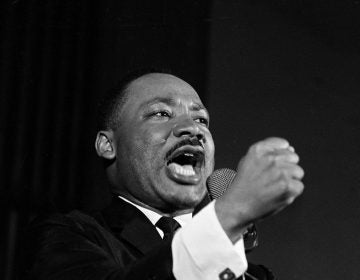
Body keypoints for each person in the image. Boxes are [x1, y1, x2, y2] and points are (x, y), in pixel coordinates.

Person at [25, 69, 304, 280]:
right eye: (161, 113)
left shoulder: (253, 275)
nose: (193, 129)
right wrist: (228, 217)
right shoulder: (67, 234)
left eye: (200, 119)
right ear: (108, 145)